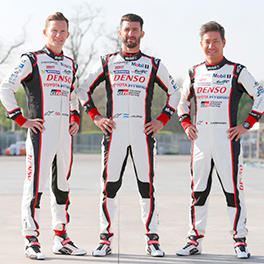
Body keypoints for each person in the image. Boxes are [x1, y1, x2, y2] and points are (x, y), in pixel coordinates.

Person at [78, 13, 180, 257]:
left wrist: (162, 119)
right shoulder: (107, 61)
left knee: (146, 187)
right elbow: (82, 89)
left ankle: (152, 240)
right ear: (120, 32)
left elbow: (175, 93)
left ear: (142, 34)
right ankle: (105, 239)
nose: (131, 34)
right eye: (127, 30)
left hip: (143, 134)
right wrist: (95, 116)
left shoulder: (154, 64)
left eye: (135, 30)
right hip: (115, 133)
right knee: (109, 187)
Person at [0, 12, 87, 260]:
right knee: (35, 187)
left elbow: (72, 95)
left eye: (62, 32)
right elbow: (5, 87)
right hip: (41, 133)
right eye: (54, 31)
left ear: (67, 35)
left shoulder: (70, 63)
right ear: (45, 33)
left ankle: (61, 237)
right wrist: (20, 118)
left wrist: (75, 117)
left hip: (64, 136)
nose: (58, 35)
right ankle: (31, 239)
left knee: (62, 186)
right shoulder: (31, 59)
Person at [176, 21, 264, 259]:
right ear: (201, 44)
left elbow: (261, 96)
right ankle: (194, 239)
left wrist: (247, 124)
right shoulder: (194, 72)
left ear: (224, 43)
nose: (211, 46)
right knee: (198, 191)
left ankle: (239, 241)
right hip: (201, 142)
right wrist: (186, 123)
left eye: (216, 41)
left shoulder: (237, 70)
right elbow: (181, 102)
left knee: (233, 192)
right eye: (207, 42)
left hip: (228, 141)